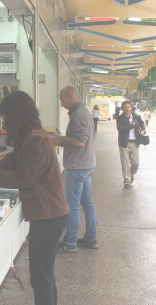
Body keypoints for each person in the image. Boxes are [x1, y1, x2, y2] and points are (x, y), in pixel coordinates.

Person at [0, 91, 68, 305]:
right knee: (45, 275)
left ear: (15, 115)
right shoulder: (31, 137)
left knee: (41, 278)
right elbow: (12, 160)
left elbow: (24, 178)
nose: (4, 121)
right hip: (48, 215)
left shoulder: (37, 140)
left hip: (49, 217)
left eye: (6, 115)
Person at [52, 86, 97, 253]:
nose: (62, 104)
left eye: (63, 100)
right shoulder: (84, 112)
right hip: (87, 164)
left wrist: (61, 140)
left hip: (78, 167)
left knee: (72, 205)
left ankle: (70, 241)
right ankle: (91, 238)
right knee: (88, 204)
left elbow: (80, 141)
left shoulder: (78, 115)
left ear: (71, 97)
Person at [116, 100, 146, 189]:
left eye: (129, 107)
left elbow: (142, 124)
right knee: (125, 163)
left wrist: (143, 130)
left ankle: (130, 175)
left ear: (131, 108)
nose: (127, 109)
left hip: (134, 142)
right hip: (124, 143)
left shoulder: (136, 116)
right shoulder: (120, 118)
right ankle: (127, 181)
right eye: (125, 107)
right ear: (123, 109)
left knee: (136, 163)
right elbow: (120, 129)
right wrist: (131, 125)